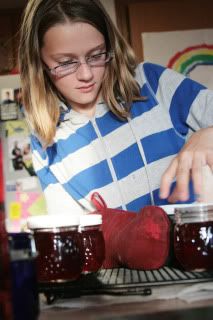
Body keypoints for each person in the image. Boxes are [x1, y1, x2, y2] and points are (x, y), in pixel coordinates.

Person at [18, 0, 213, 269]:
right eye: (65, 63)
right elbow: (76, 244)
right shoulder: (42, 141)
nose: (86, 74)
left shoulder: (152, 84)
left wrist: (209, 133)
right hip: (128, 290)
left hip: (201, 264)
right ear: (38, 62)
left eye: (97, 55)